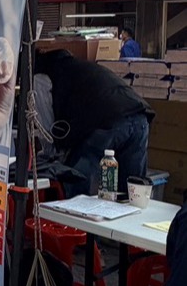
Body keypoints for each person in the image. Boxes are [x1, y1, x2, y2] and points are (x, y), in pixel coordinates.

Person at [33, 48, 154, 197]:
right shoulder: (78, 66)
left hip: (104, 122)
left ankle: (74, 211)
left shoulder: (40, 77)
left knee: (76, 182)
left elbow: (46, 127)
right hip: (138, 115)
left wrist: (49, 156)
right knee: (132, 193)